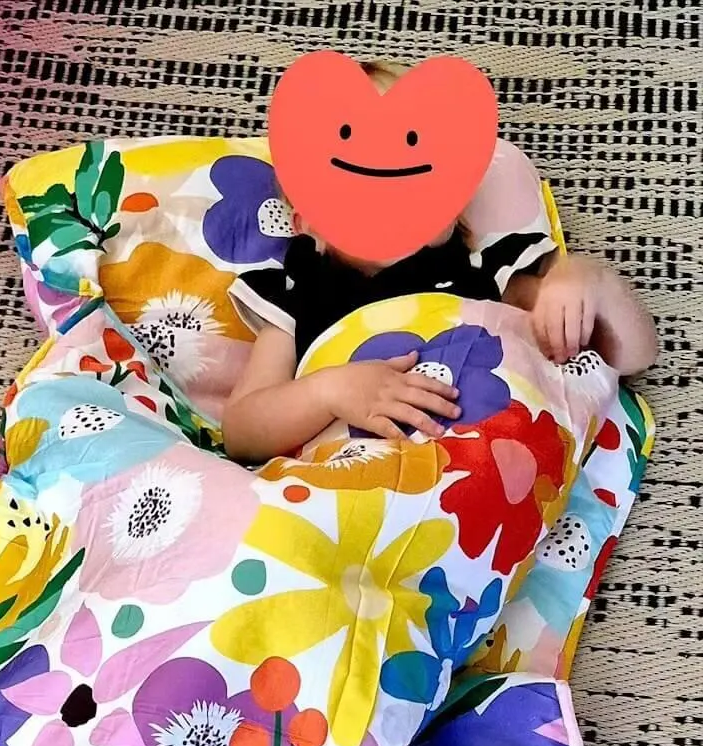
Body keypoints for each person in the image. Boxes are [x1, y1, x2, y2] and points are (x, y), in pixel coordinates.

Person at [222, 61, 658, 463]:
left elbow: (637, 354)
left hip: (489, 469)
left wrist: (582, 282)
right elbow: (242, 432)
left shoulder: (486, 271)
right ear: (305, 223)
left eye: (416, 162)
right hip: (347, 486)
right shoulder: (300, 297)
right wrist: (327, 390)